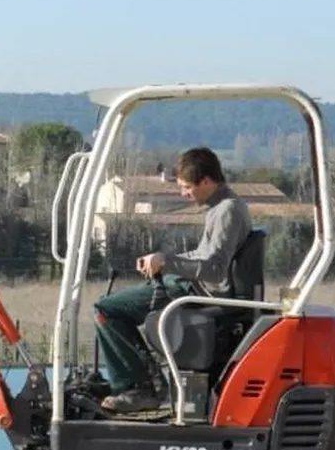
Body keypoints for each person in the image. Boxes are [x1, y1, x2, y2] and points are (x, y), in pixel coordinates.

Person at [93, 147, 253, 413]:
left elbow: (214, 269)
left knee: (107, 310)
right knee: (111, 305)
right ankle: (143, 382)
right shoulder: (221, 207)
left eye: (186, 187)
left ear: (206, 181)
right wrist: (162, 259)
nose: (184, 194)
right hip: (191, 285)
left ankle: (142, 388)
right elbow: (203, 255)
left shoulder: (227, 211)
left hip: (198, 290)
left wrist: (167, 262)